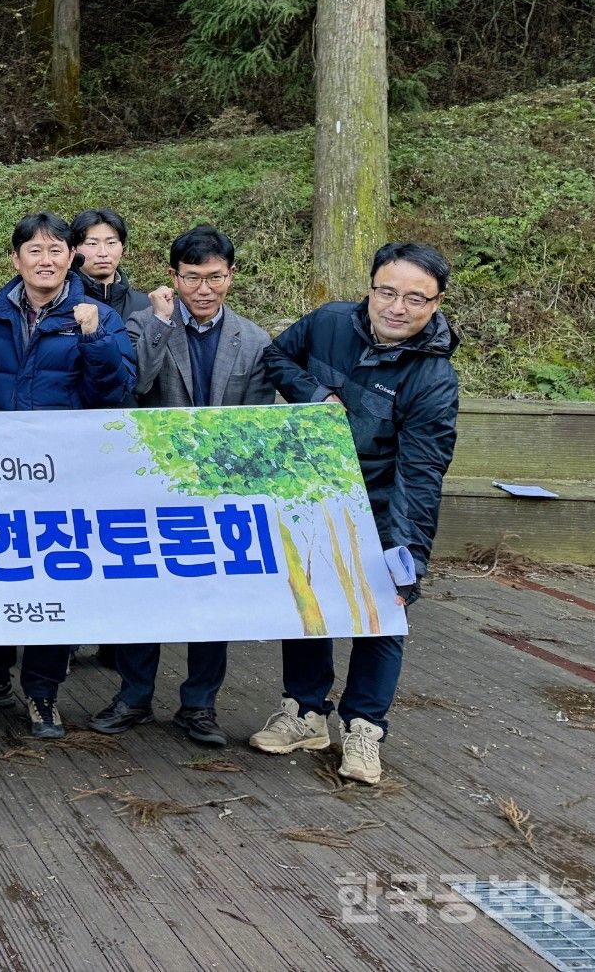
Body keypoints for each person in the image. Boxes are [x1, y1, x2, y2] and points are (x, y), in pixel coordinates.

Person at [249, 242, 460, 786]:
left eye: (416, 298)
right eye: (387, 291)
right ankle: (304, 711)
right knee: (308, 597)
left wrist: (409, 553)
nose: (397, 307)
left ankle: (365, 727)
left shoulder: (433, 378)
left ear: (435, 305)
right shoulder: (329, 323)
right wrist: (315, 393)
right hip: (313, 491)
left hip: (384, 503)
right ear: (370, 287)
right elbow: (276, 357)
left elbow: (421, 473)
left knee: (383, 611)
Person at [86, 226, 274, 748]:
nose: (204, 288)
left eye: (215, 277)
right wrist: (163, 325)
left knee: (213, 598)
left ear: (231, 277)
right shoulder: (143, 323)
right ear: (174, 277)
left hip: (218, 490)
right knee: (142, 593)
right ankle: (134, 694)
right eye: (192, 277)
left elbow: (256, 421)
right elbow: (134, 387)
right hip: (151, 486)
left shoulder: (253, 340)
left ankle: (200, 705)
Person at [0, 213, 135, 738]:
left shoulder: (96, 316)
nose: (46, 260)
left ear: (71, 257)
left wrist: (95, 339)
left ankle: (43, 692)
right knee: (0, 572)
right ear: (16, 259)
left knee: (54, 578)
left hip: (65, 476)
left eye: (56, 250)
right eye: (34, 251)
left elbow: (115, 392)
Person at [68, 208, 151, 323]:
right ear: (74, 250)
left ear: (123, 248)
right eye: (92, 243)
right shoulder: (59, 304)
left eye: (111, 243)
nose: (103, 253)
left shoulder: (146, 306)